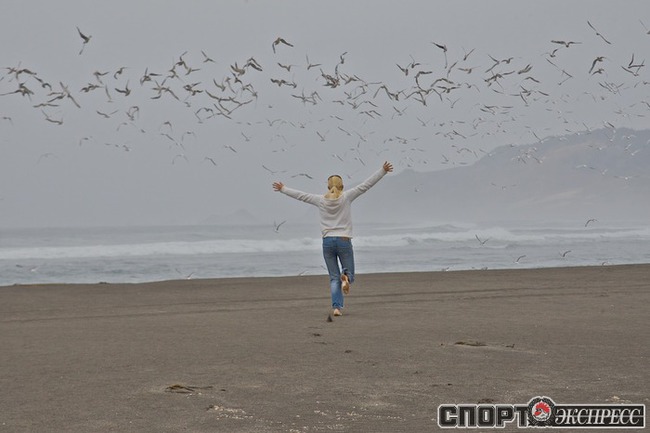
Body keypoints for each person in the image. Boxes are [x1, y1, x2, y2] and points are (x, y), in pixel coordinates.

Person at [272, 161, 393, 317]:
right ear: (342, 186)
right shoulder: (347, 197)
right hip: (343, 240)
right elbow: (365, 186)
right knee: (349, 275)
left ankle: (336, 308)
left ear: (328, 187)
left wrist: (283, 189)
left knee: (334, 278)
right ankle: (347, 277)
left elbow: (301, 196)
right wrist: (382, 171)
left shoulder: (320, 200)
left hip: (327, 242)